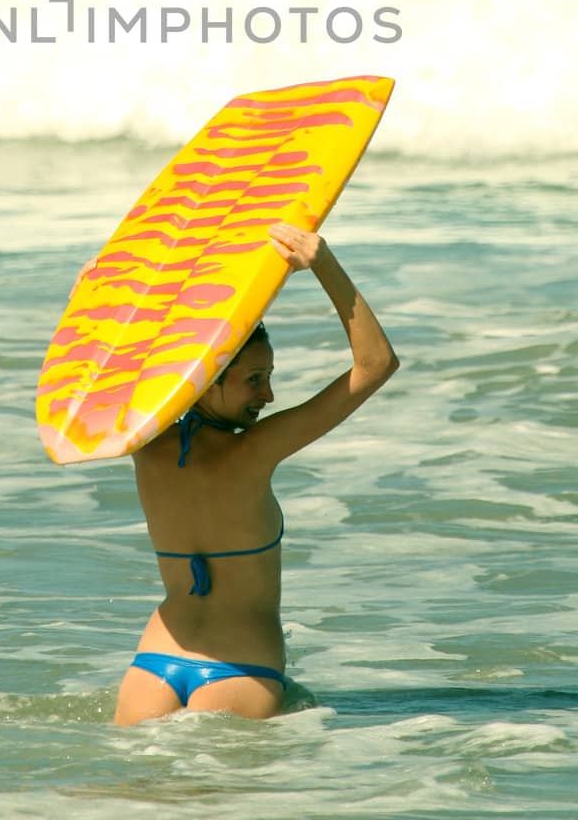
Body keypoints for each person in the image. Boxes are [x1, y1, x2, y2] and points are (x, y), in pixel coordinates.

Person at [99, 219, 401, 724]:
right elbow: (376, 363)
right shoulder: (254, 451)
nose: (268, 395)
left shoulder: (141, 440)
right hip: (239, 667)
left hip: (152, 662)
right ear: (207, 377)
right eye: (254, 380)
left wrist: (101, 294)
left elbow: (98, 365)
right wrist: (323, 264)